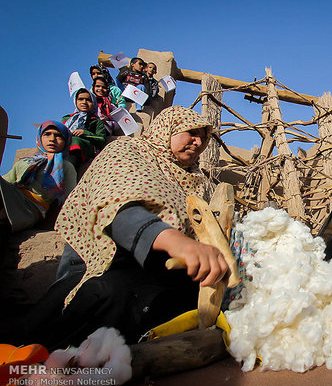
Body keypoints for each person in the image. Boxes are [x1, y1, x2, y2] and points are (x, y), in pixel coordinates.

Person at [17, 106, 229, 350]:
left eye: (204, 136)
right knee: (104, 301)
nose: (198, 141)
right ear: (167, 128)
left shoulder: (192, 180)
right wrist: (179, 244)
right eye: (191, 132)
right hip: (100, 268)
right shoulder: (127, 151)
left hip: (155, 273)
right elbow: (120, 211)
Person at [0, 121, 76, 236]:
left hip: (31, 209)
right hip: (12, 198)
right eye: (47, 134)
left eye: (58, 135)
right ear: (39, 138)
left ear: (66, 140)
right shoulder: (25, 162)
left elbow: (72, 197)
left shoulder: (64, 166)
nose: (52, 139)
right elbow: (6, 182)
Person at [61, 88, 107, 169]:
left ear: (93, 103)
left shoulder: (96, 121)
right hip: (64, 147)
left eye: (88, 100)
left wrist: (85, 133)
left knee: (76, 141)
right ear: (76, 101)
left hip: (82, 148)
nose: (84, 102)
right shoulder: (67, 118)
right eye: (81, 99)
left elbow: (102, 140)